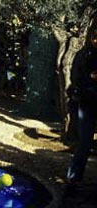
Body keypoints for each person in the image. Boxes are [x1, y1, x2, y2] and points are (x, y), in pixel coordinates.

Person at [66, 30, 97, 184]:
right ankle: (73, 180)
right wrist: (89, 78)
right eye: (95, 37)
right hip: (87, 103)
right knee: (84, 143)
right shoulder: (84, 54)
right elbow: (74, 77)